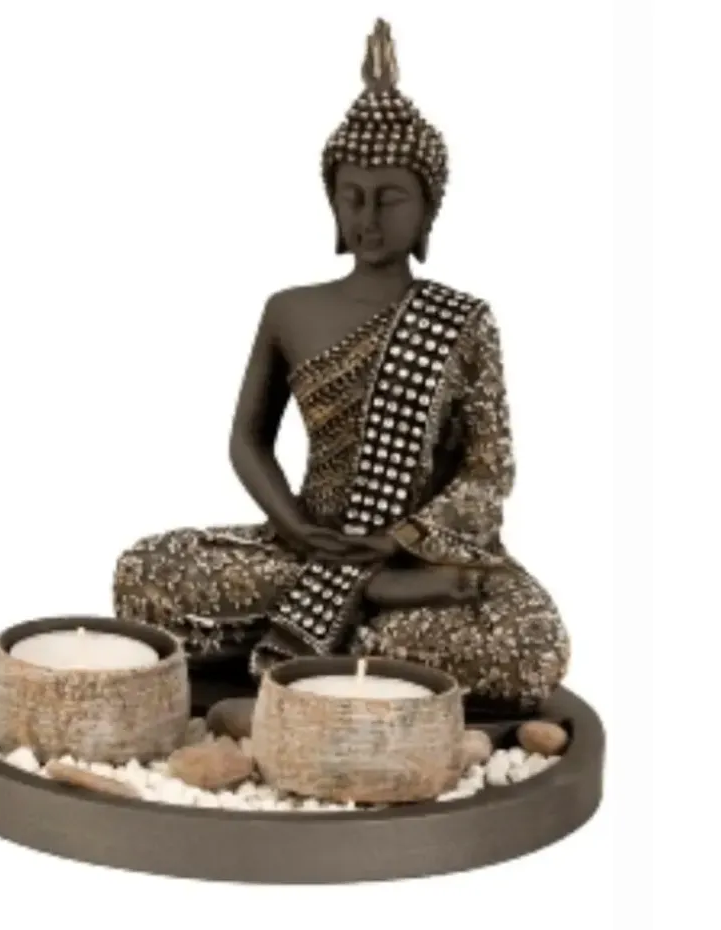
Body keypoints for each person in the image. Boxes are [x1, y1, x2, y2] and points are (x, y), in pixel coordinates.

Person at [112, 19, 569, 709]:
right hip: (309, 543)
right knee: (144, 572)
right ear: (331, 199)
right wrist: (297, 528)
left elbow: (488, 471)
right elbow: (246, 441)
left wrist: (398, 541)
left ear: (428, 208)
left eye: (390, 198)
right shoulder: (289, 309)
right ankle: (371, 611)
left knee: (530, 645)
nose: (369, 217)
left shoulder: (463, 320)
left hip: (422, 556)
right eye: (352, 196)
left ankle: (339, 620)